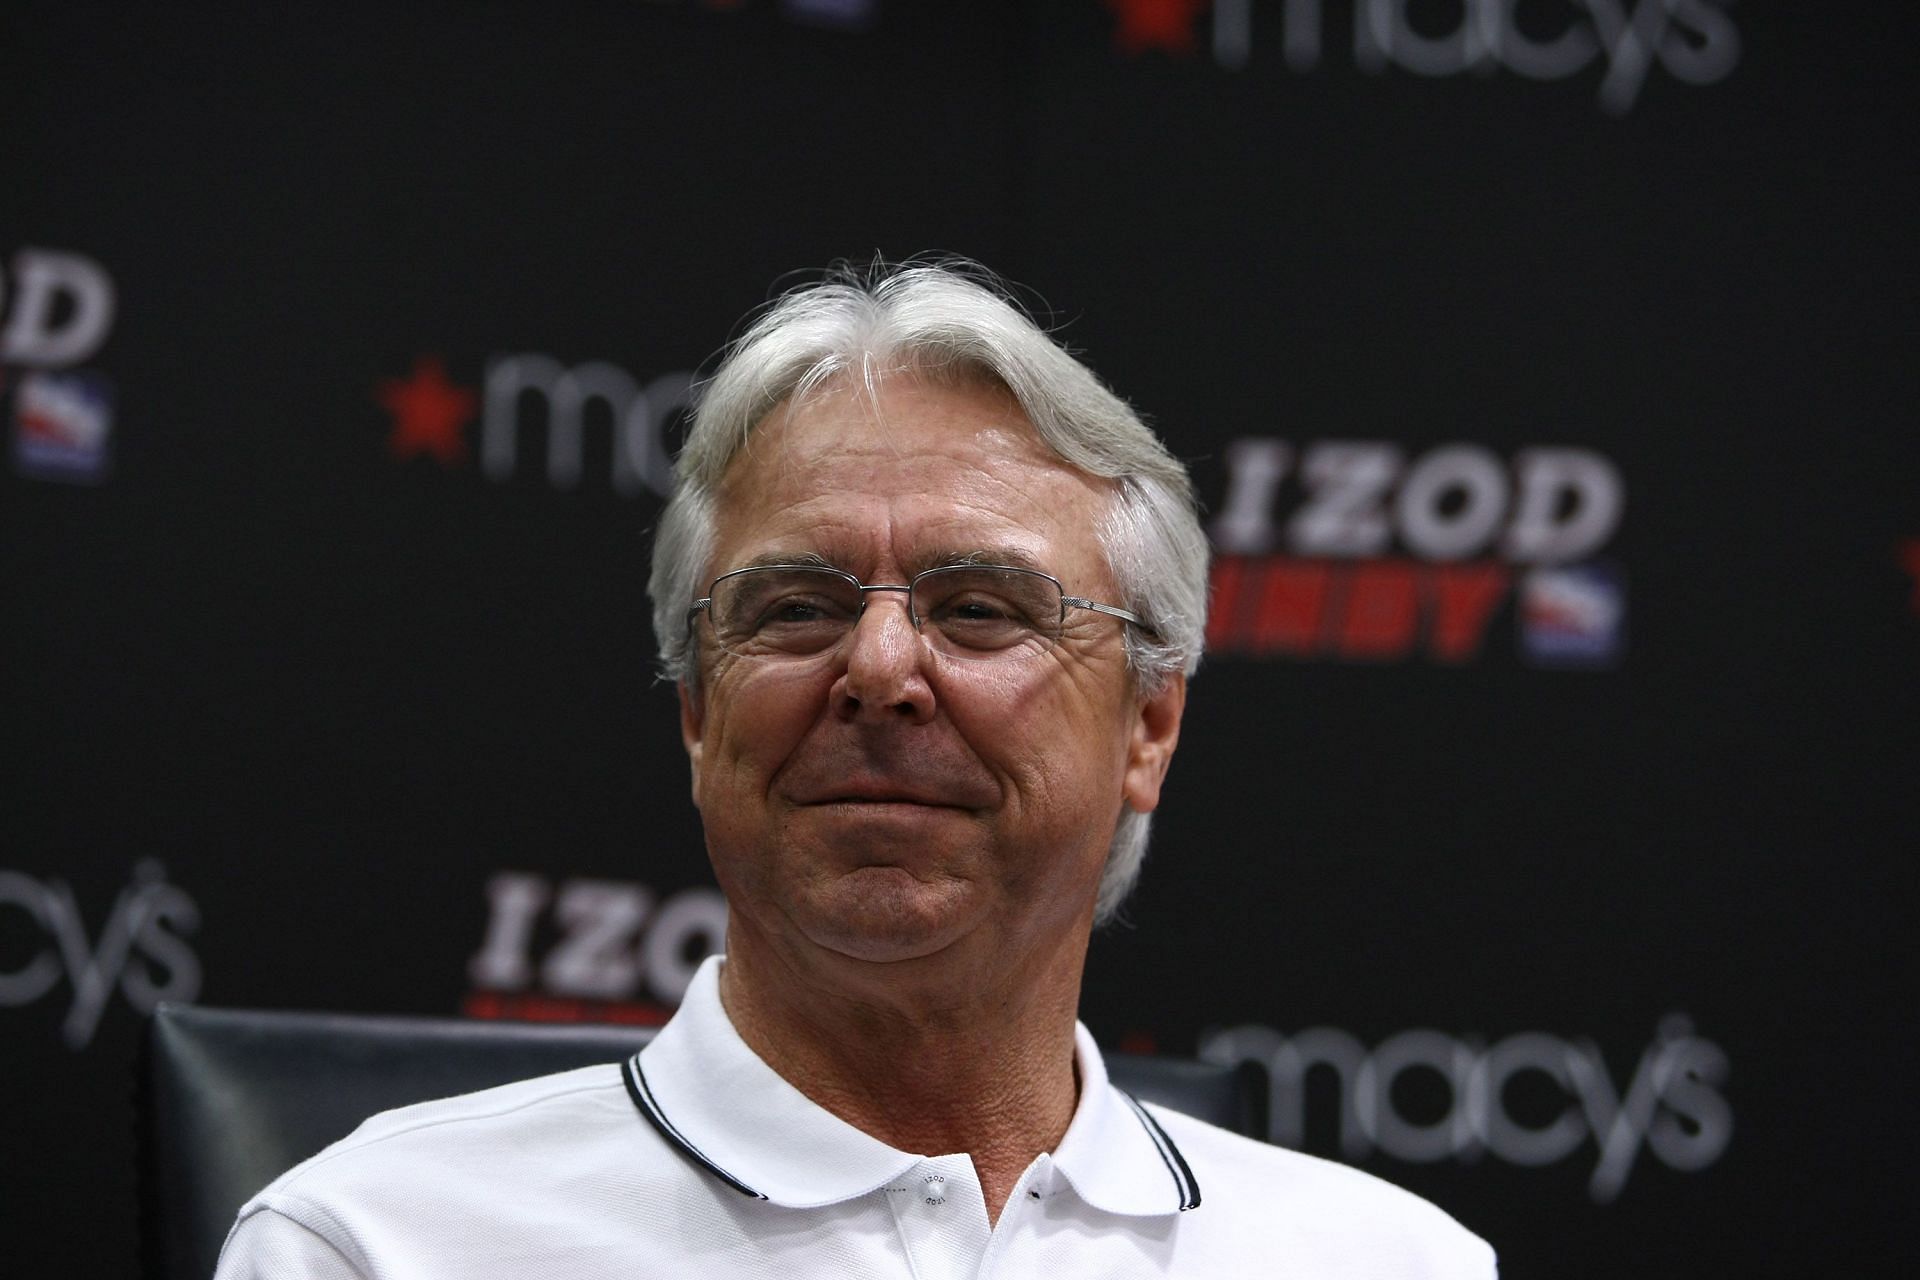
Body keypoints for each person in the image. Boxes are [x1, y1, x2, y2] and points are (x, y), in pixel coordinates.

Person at [213, 259, 1495, 1278]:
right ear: (701, 711)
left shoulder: (1393, 1262)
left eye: (985, 606)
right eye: (793, 607)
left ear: (1149, 725)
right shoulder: (378, 1246)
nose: (880, 666)